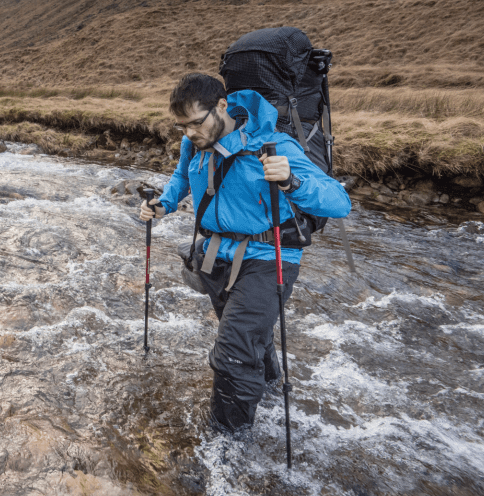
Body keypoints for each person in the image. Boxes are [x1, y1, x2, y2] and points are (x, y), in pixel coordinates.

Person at [140, 72, 351, 434]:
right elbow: (181, 177)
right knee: (249, 336)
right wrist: (164, 203)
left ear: (222, 106)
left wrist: (291, 181)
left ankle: (227, 444)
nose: (189, 133)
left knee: (232, 351)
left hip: (270, 258)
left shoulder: (273, 146)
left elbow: (339, 202)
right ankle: (268, 386)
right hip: (218, 257)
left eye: (195, 123)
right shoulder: (193, 144)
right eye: (182, 126)